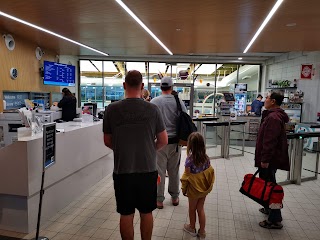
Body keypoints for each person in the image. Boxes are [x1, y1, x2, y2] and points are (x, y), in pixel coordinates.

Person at [103, 70, 168, 240]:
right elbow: (163, 140)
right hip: (147, 170)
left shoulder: (111, 109)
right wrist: (148, 148)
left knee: (126, 214)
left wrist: (124, 149)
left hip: (122, 170)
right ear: (142, 86)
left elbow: (107, 141)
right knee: (146, 212)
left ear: (124, 85)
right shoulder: (153, 109)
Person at [150, 76, 187, 209]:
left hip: (159, 142)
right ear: (171, 88)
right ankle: (175, 197)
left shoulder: (154, 101)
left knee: (159, 171)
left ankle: (159, 200)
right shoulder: (179, 102)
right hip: (175, 143)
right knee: (174, 170)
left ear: (161, 87)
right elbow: (185, 118)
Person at [255, 91, 290, 229]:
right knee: (267, 184)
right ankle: (269, 208)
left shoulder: (274, 118)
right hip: (270, 159)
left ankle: (275, 219)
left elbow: (269, 141)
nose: (265, 99)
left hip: (269, 160)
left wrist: (265, 159)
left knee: (271, 187)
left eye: (267, 98)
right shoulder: (272, 116)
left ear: (273, 101)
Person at [180, 132, 215, 239]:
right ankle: (202, 231)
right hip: (203, 188)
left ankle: (191, 227)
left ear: (190, 145)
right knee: (200, 208)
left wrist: (184, 188)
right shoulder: (206, 158)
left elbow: (187, 176)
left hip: (194, 189)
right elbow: (208, 173)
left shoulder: (189, 160)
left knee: (192, 209)